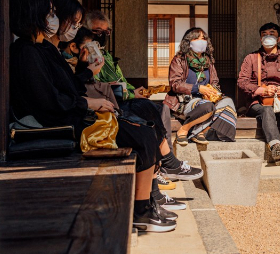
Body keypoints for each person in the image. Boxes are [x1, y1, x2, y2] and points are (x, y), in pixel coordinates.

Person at [9, 0, 175, 232]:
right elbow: (49, 102)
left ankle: (148, 200)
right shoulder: (27, 52)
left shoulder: (42, 49)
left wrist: (86, 72)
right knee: (142, 135)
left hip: (70, 116)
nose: (51, 18)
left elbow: (66, 89)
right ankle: (141, 210)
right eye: (49, 12)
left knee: (146, 124)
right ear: (33, 14)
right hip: (60, 125)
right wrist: (88, 104)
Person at [84, 11, 203, 183]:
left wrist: (135, 90)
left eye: (106, 32)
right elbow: (99, 87)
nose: (103, 35)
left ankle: (164, 164)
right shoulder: (90, 55)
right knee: (148, 121)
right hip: (110, 104)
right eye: (97, 31)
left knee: (159, 109)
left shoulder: (107, 55)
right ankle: (164, 165)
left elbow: (121, 81)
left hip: (121, 98)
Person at [237, 22, 280, 166]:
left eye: (272, 34)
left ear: (279, 38)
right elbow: (242, 83)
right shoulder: (251, 58)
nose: (268, 37)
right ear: (260, 39)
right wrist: (262, 90)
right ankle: (275, 146)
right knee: (266, 110)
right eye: (264, 34)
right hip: (258, 102)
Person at [164, 28, 237, 144]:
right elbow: (175, 84)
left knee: (228, 103)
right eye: (196, 38)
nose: (201, 41)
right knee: (207, 106)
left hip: (206, 100)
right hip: (186, 101)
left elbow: (215, 83)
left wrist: (214, 92)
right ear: (188, 42)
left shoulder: (209, 61)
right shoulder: (179, 60)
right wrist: (198, 88)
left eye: (203, 38)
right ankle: (184, 130)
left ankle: (199, 132)